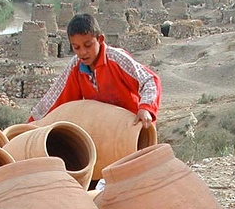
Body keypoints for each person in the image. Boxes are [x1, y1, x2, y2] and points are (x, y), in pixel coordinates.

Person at [29, 13, 161, 129]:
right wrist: (30, 125)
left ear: (100, 39)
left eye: (88, 45)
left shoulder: (117, 59)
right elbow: (55, 98)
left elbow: (150, 80)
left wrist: (145, 108)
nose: (83, 52)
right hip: (104, 132)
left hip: (135, 128)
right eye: (76, 47)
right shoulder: (76, 66)